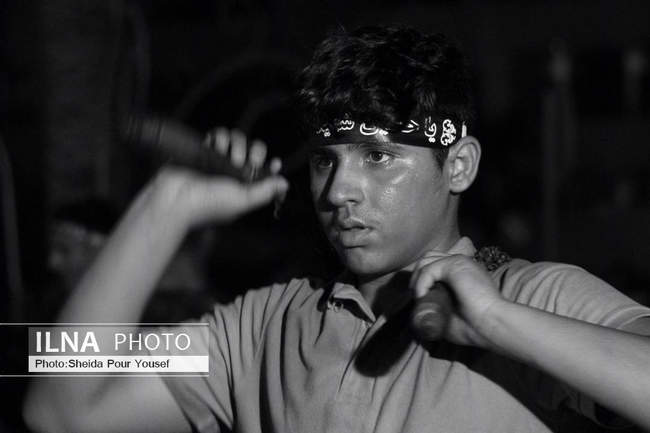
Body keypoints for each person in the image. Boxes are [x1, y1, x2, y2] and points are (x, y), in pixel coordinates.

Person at [24, 25, 650, 433]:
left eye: (377, 155)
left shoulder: (534, 298)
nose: (337, 189)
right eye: (327, 159)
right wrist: (168, 205)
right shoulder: (261, 329)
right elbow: (59, 407)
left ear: (458, 165)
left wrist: (496, 322)